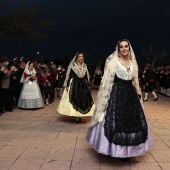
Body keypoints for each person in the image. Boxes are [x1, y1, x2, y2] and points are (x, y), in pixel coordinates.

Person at [86, 39, 153, 159]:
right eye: (121, 47)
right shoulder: (113, 62)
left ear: (129, 48)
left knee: (130, 121)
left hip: (130, 95)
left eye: (126, 46)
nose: (124, 49)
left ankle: (127, 152)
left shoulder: (133, 63)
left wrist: (138, 97)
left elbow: (135, 82)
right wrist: (104, 101)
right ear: (118, 49)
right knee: (115, 121)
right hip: (116, 94)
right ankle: (114, 150)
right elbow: (107, 82)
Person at [57, 52, 95, 123]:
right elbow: (69, 76)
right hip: (75, 84)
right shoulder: (73, 66)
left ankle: (80, 114)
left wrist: (88, 85)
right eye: (79, 57)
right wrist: (67, 85)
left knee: (83, 100)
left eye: (82, 56)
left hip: (83, 85)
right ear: (77, 58)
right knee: (75, 99)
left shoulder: (84, 66)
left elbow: (86, 77)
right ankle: (76, 116)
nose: (81, 58)